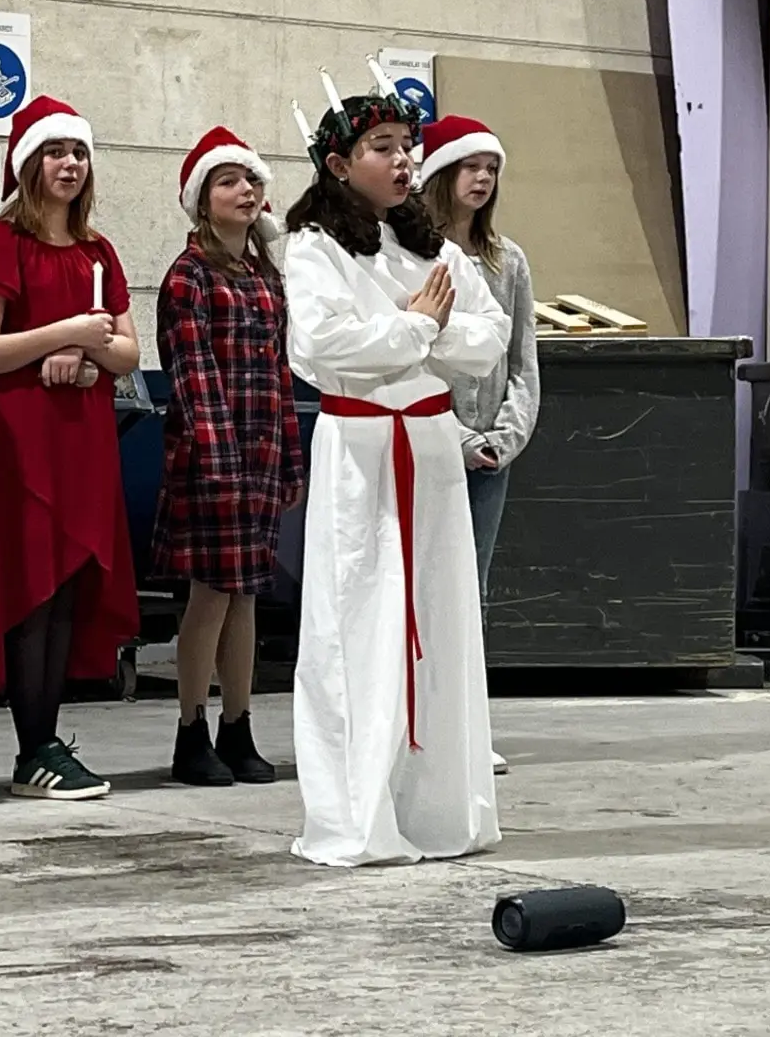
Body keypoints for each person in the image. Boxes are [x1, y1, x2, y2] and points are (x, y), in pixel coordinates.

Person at [281, 63, 513, 867]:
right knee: (361, 626)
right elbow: (320, 346)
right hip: (362, 452)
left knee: (441, 621)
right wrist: (415, 332)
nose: (406, 159)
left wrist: (416, 333)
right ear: (341, 164)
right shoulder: (311, 247)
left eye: (409, 145)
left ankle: (441, 810)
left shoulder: (432, 246)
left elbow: (486, 342)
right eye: (384, 146)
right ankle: (356, 816)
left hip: (430, 446)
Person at [0, 95, 142, 800]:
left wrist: (89, 356)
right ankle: (31, 744)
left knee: (67, 586)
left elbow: (126, 349)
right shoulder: (3, 245)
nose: (70, 164)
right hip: (22, 439)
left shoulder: (100, 252)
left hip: (84, 435)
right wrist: (62, 337)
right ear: (28, 164)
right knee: (30, 586)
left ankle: (48, 736)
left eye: (79, 153)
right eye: (56, 153)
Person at [152, 126, 302, 787]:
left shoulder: (266, 276)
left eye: (251, 180)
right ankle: (191, 730)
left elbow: (279, 372)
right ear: (202, 199)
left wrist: (289, 459)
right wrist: (221, 462)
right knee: (209, 597)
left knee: (246, 597)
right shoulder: (189, 276)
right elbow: (193, 378)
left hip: (263, 455)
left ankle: (238, 725)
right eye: (228, 181)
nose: (245, 190)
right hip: (213, 463)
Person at [416, 116, 538, 779]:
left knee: (473, 590)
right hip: (435, 442)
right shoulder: (418, 253)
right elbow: (417, 357)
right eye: (472, 165)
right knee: (426, 584)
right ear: (442, 173)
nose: (484, 178)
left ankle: (467, 725)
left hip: (493, 453)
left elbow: (523, 359)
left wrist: (506, 436)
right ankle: (422, 722)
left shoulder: (507, 260)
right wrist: (458, 438)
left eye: (493, 167)